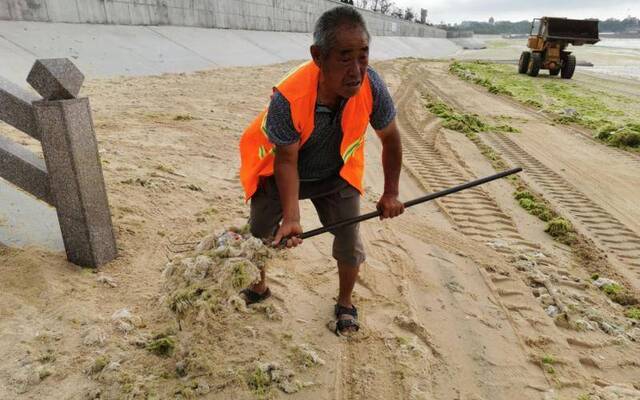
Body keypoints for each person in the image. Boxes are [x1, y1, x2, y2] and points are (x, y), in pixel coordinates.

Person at [238, 6, 403, 335]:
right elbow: (286, 160)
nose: (356, 70)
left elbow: (391, 139)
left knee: (349, 241)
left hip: (335, 175)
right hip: (281, 174)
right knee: (258, 235)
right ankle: (258, 287)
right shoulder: (288, 96)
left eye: (363, 55)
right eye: (344, 57)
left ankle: (345, 302)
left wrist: (391, 193)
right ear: (318, 56)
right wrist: (292, 216)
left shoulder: (372, 86)